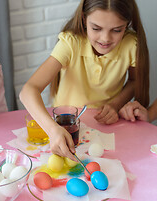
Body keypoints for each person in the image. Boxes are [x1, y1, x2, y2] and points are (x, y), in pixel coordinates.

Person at [19, 0, 149, 160]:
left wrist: (115, 105)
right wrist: (52, 129)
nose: (105, 38)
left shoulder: (131, 45)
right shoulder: (71, 43)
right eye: (96, 28)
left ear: (127, 24)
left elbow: (135, 82)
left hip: (108, 128)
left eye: (116, 30)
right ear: (83, 19)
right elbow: (28, 90)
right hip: (64, 126)